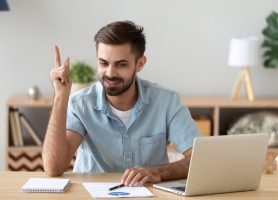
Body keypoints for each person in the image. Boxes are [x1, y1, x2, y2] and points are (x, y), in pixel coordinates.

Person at [42, 20, 201, 187]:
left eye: (121, 64)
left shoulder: (167, 102)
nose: (110, 73)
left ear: (140, 63)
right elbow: (54, 167)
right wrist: (60, 96)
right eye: (103, 63)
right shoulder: (81, 104)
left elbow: (200, 160)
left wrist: (156, 172)